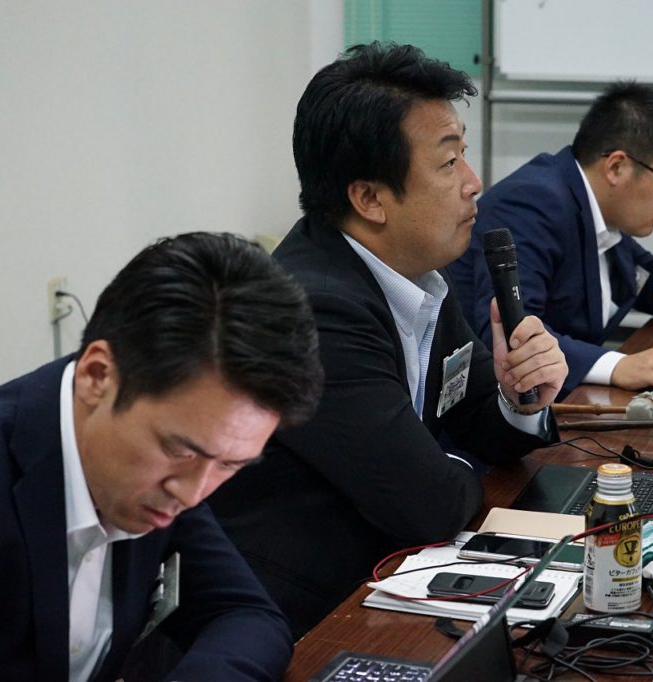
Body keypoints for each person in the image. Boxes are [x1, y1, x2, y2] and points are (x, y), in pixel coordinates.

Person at [209, 42, 568, 638]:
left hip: (388, 576)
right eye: (448, 163)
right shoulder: (313, 311)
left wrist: (520, 397)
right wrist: (439, 463)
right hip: (300, 619)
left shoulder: (415, 273)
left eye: (464, 156)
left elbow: (479, 420)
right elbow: (429, 504)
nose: (474, 183)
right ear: (370, 198)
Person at [0, 232, 323, 681]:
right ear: (97, 375)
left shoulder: (176, 467)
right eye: (178, 449)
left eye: (230, 465)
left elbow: (246, 615)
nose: (193, 493)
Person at [447, 82, 653, 397]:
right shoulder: (534, 201)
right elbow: (511, 333)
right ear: (617, 167)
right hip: (486, 406)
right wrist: (617, 365)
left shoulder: (593, 211)